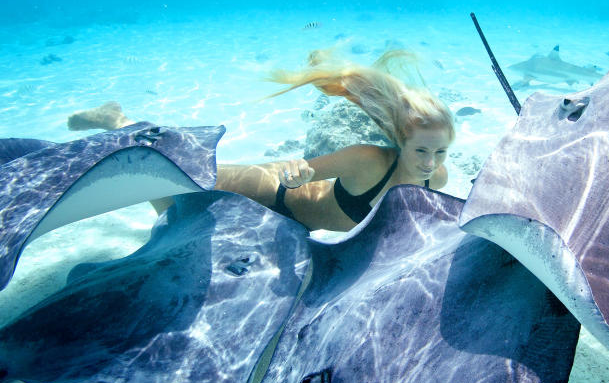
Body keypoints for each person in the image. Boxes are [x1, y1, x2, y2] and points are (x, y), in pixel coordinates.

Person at [67, 48, 454, 232]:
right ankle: (119, 121)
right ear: (400, 141)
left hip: (294, 230)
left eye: (439, 152)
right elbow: (298, 174)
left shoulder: (436, 180)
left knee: (176, 207)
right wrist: (297, 172)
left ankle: (127, 135)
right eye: (421, 150)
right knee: (174, 180)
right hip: (275, 194)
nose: (429, 161)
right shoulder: (368, 160)